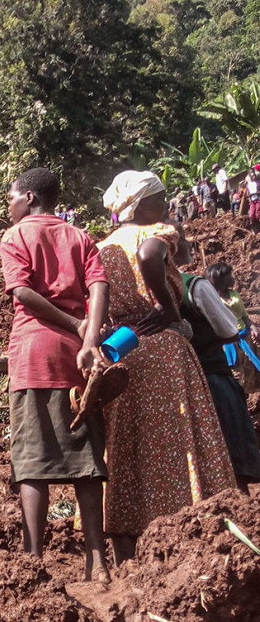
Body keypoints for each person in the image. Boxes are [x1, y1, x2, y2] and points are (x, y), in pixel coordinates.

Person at [97, 171, 235, 565]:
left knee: (128, 446)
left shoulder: (104, 246)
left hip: (125, 350)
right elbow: (149, 256)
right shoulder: (154, 231)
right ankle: (189, 525)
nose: (168, 204)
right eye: (161, 198)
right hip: (164, 350)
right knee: (179, 440)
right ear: (141, 205)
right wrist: (168, 308)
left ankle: (128, 544)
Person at [0, 168, 111, 582]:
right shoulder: (81, 237)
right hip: (78, 360)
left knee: (31, 461)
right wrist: (88, 334)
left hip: (33, 354)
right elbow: (99, 287)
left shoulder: (15, 237)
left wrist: (71, 324)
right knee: (86, 456)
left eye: (11, 197)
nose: (8, 205)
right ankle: (97, 562)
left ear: (28, 197)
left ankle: (33, 561)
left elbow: (23, 293)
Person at [175, 245, 260, 493]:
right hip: (210, 373)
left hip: (167, 381)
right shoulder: (193, 285)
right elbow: (229, 329)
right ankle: (238, 502)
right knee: (232, 442)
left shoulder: (135, 286)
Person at [206, 262, 260, 382]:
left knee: (251, 372)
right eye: (228, 276)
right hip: (228, 344)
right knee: (237, 376)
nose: (232, 278)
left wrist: (253, 328)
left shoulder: (234, 294)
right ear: (218, 279)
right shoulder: (212, 300)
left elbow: (244, 316)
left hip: (245, 339)